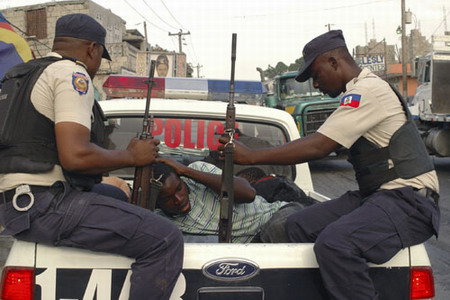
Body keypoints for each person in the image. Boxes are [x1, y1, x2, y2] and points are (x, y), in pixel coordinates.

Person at [218, 30, 440, 300]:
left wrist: (251, 157)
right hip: (379, 198)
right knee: (297, 225)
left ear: (334, 61)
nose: (316, 84)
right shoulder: (357, 92)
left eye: (316, 74)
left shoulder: (367, 91)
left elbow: (319, 145)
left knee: (336, 244)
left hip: (410, 202)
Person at [0, 14, 183, 300]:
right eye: (100, 56)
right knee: (165, 238)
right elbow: (75, 157)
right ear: (92, 49)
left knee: (118, 195)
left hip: (20, 202)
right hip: (46, 205)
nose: (97, 65)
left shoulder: (27, 73)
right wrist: (131, 156)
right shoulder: (72, 74)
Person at [153, 157, 306, 243]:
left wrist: (186, 171)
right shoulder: (160, 219)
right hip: (253, 246)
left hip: (276, 217)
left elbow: (248, 193)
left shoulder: (198, 170)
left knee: (277, 229)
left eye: (179, 188)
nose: (178, 199)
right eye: (168, 198)